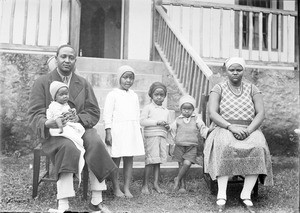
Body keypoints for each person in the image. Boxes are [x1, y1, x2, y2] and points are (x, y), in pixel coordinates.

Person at [28, 44, 117, 213]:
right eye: (63, 57)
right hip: (55, 132)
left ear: (75, 60)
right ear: (56, 58)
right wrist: (48, 122)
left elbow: (93, 111)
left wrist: (80, 118)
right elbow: (34, 113)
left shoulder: (82, 83)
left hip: (79, 128)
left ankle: (96, 200)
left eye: (71, 57)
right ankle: (63, 205)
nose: (67, 60)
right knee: (68, 147)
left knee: (96, 142)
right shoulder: (42, 83)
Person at [203, 57, 273, 212]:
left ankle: (246, 194)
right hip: (224, 127)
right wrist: (230, 126)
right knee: (224, 146)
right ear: (226, 71)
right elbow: (213, 113)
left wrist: (248, 130)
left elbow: (260, 113)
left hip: (250, 128)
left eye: (238, 70)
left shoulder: (253, 88)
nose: (235, 73)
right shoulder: (218, 88)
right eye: (232, 70)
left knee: (258, 147)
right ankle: (222, 194)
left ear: (243, 71)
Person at [103, 65, 145, 198]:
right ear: (119, 78)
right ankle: (116, 187)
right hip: (117, 130)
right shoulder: (113, 94)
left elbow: (137, 114)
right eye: (125, 77)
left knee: (129, 158)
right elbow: (107, 114)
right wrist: (108, 131)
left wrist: (138, 130)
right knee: (116, 158)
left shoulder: (134, 95)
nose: (128, 80)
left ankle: (126, 187)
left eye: (131, 78)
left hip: (131, 129)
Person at [170, 95, 212, 193]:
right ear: (181, 109)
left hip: (191, 146)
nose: (186, 111)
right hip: (179, 145)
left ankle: (177, 179)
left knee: (187, 163)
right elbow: (172, 130)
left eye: (189, 109)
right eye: (184, 108)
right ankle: (182, 185)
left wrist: (208, 131)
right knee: (181, 164)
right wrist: (171, 143)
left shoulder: (196, 119)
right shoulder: (178, 120)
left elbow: (202, 128)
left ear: (193, 109)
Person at [46, 81, 85, 183]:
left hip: (66, 124)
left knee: (79, 131)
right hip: (57, 128)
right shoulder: (54, 106)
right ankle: (67, 174)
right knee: (72, 142)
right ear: (55, 97)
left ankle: (73, 169)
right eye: (61, 94)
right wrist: (61, 127)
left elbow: (68, 114)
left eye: (66, 94)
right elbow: (58, 118)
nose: (65, 97)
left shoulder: (65, 104)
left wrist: (72, 112)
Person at [140, 82, 171, 194]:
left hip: (161, 137)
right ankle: (144, 185)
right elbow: (142, 121)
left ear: (164, 96)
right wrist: (156, 122)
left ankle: (156, 184)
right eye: (156, 94)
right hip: (151, 137)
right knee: (150, 161)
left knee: (157, 161)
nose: (159, 97)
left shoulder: (165, 111)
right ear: (151, 95)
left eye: (161, 95)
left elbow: (169, 125)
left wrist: (167, 126)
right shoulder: (148, 108)